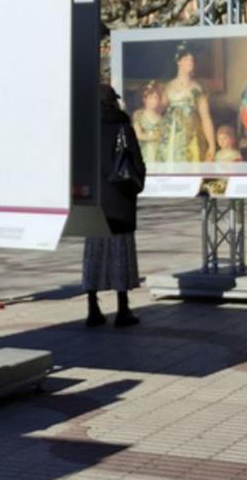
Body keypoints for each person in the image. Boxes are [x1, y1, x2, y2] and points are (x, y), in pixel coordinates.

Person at [83, 84, 146, 328]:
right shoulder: (122, 125)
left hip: (94, 200)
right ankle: (122, 308)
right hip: (120, 198)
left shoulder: (85, 127)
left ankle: (93, 307)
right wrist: (137, 185)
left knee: (94, 253)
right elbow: (136, 162)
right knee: (121, 253)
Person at [161, 43, 216, 162]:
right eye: (186, 59)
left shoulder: (198, 88)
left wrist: (212, 145)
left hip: (191, 138)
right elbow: (159, 111)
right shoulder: (167, 87)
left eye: (192, 60)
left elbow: (206, 118)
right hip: (171, 138)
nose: (190, 62)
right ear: (179, 62)